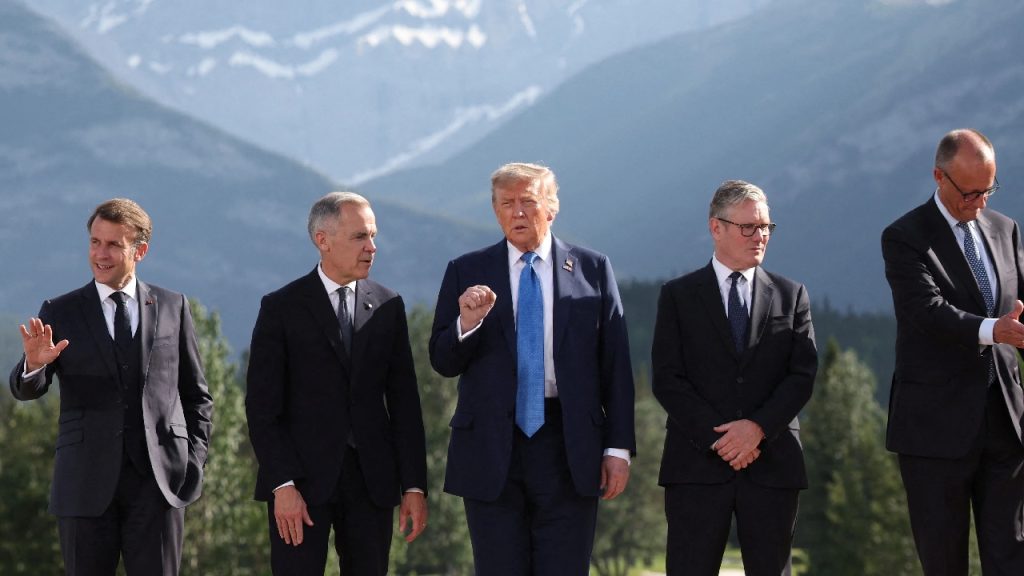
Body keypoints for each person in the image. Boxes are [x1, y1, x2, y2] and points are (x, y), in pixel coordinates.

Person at [430, 162, 635, 575]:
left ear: (552, 207)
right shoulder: (466, 271)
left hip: (569, 445)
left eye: (528, 201)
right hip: (491, 448)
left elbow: (616, 366)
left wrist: (617, 448)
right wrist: (466, 324)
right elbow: (442, 360)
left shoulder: (593, 269)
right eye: (507, 204)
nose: (517, 212)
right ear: (495, 211)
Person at [8, 198, 213, 576]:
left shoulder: (172, 306)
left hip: (159, 486)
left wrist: (192, 462)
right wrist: (34, 364)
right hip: (83, 485)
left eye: (114, 244)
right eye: (95, 242)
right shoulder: (60, 311)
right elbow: (25, 389)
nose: (100, 254)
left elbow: (197, 395)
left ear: (141, 250)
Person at [246, 191, 428, 576]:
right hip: (300, 486)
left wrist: (414, 486)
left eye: (373, 236)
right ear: (322, 240)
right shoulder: (281, 308)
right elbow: (263, 409)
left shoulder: (388, 305)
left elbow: (404, 402)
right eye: (360, 237)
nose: (372, 247)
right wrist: (283, 484)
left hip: (373, 483)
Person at [651, 180, 817, 576]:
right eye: (748, 227)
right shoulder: (678, 296)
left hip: (773, 463)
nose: (759, 237)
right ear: (716, 227)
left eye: (765, 227)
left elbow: (802, 375)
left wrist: (757, 429)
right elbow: (667, 378)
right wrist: (722, 439)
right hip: (696, 466)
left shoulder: (792, 295)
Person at [881, 129, 1024, 575]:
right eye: (969, 192)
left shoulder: (1005, 229)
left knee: (1013, 557)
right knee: (944, 560)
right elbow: (926, 312)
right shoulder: (904, 237)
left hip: (1006, 423)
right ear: (938, 177)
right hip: (934, 430)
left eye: (988, 189)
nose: (979, 202)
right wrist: (993, 331)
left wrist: (1009, 331)